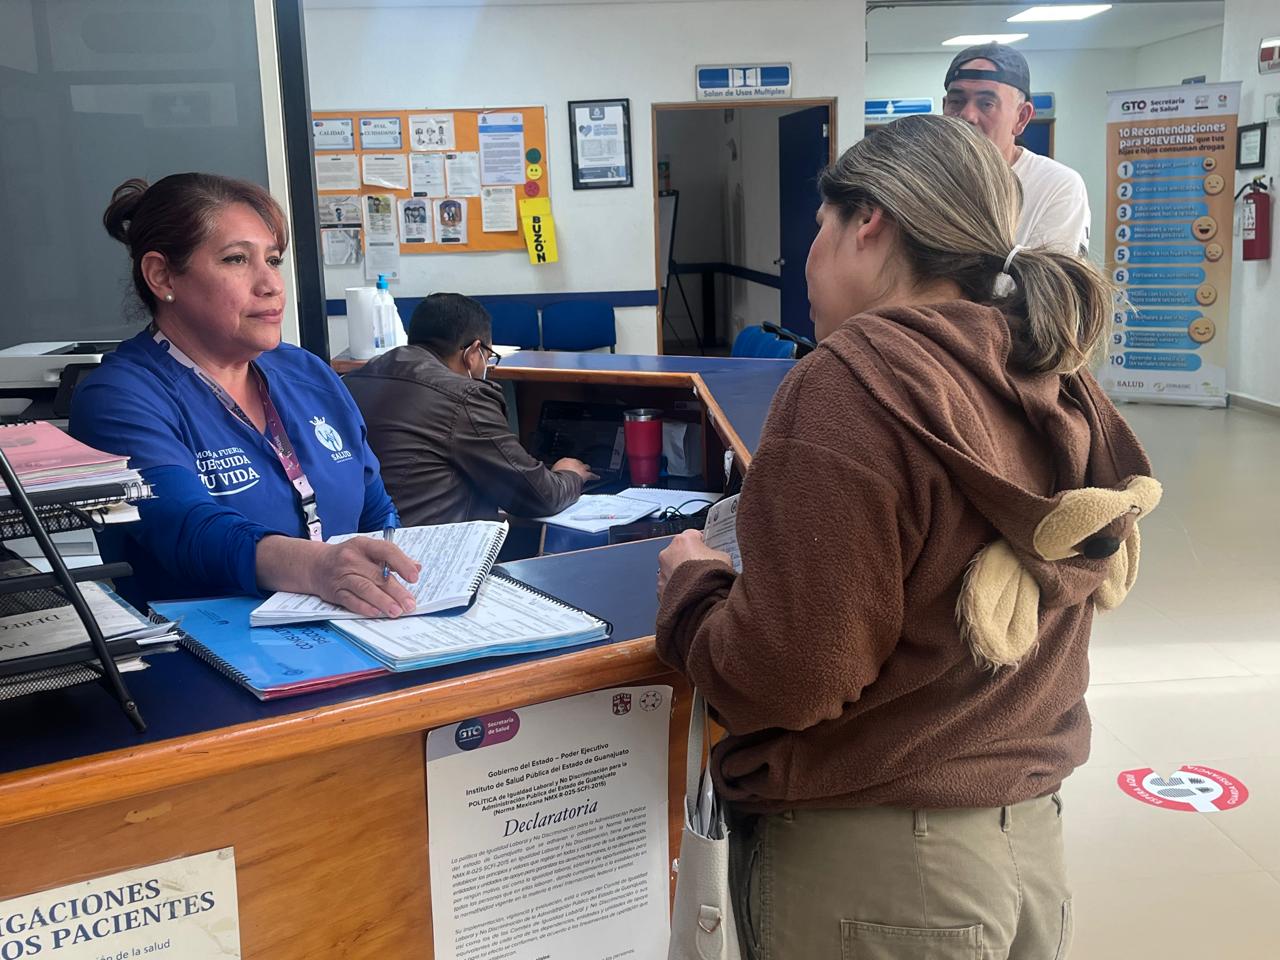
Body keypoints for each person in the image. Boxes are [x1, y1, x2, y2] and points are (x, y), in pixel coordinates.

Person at [654, 115, 1161, 959]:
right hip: (1028, 849)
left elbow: (787, 677)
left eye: (819, 226)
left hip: (881, 873)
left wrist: (694, 587)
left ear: (868, 222)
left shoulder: (852, 381)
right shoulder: (1051, 374)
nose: (809, 258)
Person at [71, 173, 419, 615]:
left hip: (356, 632)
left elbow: (375, 510)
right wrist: (318, 567)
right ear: (162, 276)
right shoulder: (118, 397)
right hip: (202, 647)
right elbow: (187, 528)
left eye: (273, 260)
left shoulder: (307, 372)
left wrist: (394, 579)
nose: (271, 284)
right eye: (236, 259)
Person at [344, 293, 594, 527]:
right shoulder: (464, 397)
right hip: (428, 547)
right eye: (489, 357)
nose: (487, 366)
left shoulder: (353, 381)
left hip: (360, 540)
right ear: (473, 352)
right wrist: (569, 475)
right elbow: (540, 496)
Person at [943, 42, 1091, 256]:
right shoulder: (922, 180)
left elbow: (1046, 276)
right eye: (957, 102)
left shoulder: (1055, 186)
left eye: (986, 104)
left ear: (1021, 117)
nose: (967, 116)